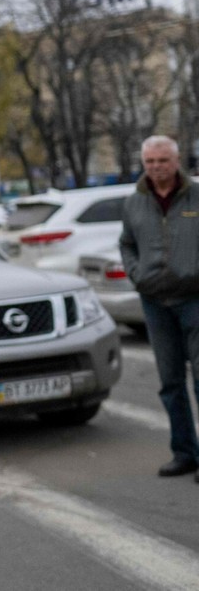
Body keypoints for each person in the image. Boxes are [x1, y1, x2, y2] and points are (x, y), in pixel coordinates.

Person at [118, 135, 199, 479]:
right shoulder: (134, 202)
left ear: (176, 160)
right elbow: (126, 244)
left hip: (194, 298)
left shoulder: (195, 195)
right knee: (170, 382)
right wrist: (136, 274)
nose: (156, 168)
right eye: (150, 162)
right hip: (154, 302)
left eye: (162, 161)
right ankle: (184, 453)